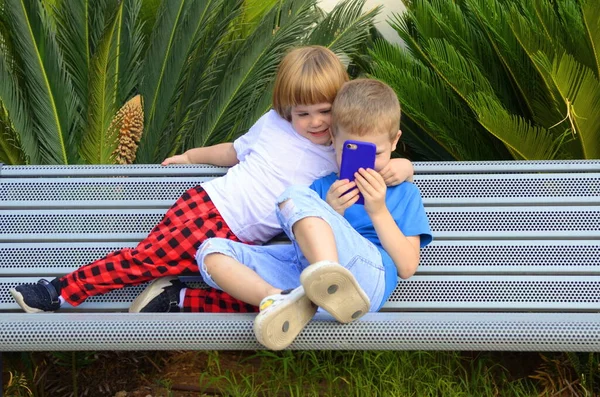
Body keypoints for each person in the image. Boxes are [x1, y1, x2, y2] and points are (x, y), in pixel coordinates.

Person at [10, 46, 415, 314]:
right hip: (211, 207)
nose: (313, 122)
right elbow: (231, 152)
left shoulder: (339, 149)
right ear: (286, 110)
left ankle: (178, 299)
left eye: (324, 111)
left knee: (269, 295)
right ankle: (60, 290)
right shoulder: (274, 125)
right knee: (148, 258)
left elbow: (377, 153)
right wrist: (191, 156)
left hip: (242, 238)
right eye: (301, 113)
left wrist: (406, 166)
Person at [178, 78, 433, 350]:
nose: (365, 165)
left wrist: (378, 210)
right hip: (306, 284)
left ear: (395, 142)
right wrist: (332, 212)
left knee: (295, 195)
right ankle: (279, 300)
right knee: (210, 251)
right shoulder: (323, 187)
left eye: (377, 153)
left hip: (366, 283)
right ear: (333, 140)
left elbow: (406, 267)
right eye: (352, 152)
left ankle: (330, 278)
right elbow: (297, 242)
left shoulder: (403, 193)